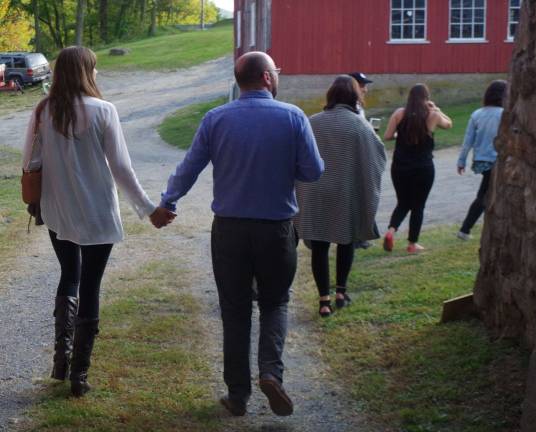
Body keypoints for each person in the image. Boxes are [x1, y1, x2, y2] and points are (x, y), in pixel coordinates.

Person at [159, 51, 324, 417]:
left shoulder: (216, 118)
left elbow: (189, 168)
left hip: (229, 231)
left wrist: (168, 202)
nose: (278, 75)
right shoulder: (293, 117)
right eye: (276, 71)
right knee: (275, 302)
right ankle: (270, 372)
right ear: (266, 78)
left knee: (234, 312)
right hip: (276, 229)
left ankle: (237, 396)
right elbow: (313, 172)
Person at [22, 46, 175, 398]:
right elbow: (121, 169)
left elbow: (32, 164)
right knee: (90, 285)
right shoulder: (103, 110)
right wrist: (149, 208)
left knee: (69, 275)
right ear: (87, 72)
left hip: (58, 209)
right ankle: (80, 375)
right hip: (96, 212)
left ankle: (61, 361)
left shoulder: (45, 110)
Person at [295, 75, 386, 317]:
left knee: (320, 246)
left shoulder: (312, 122)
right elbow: (377, 156)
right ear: (354, 97)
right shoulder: (359, 125)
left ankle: (324, 301)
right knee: (347, 240)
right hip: (345, 192)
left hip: (316, 192)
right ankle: (341, 293)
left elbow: (298, 156)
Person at [382, 84, 452, 253]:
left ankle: (391, 231)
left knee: (403, 202)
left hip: (400, 167)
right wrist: (437, 109)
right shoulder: (432, 115)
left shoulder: (399, 113)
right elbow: (449, 124)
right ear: (426, 98)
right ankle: (412, 244)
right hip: (423, 167)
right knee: (418, 205)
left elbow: (387, 136)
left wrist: (401, 134)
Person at [456, 80, 507, 240]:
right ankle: (465, 230)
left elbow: (467, 141)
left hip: (482, 161)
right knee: (485, 196)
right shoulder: (505, 114)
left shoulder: (477, 114)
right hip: (499, 161)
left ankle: (470, 229)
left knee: (488, 194)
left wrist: (461, 161)